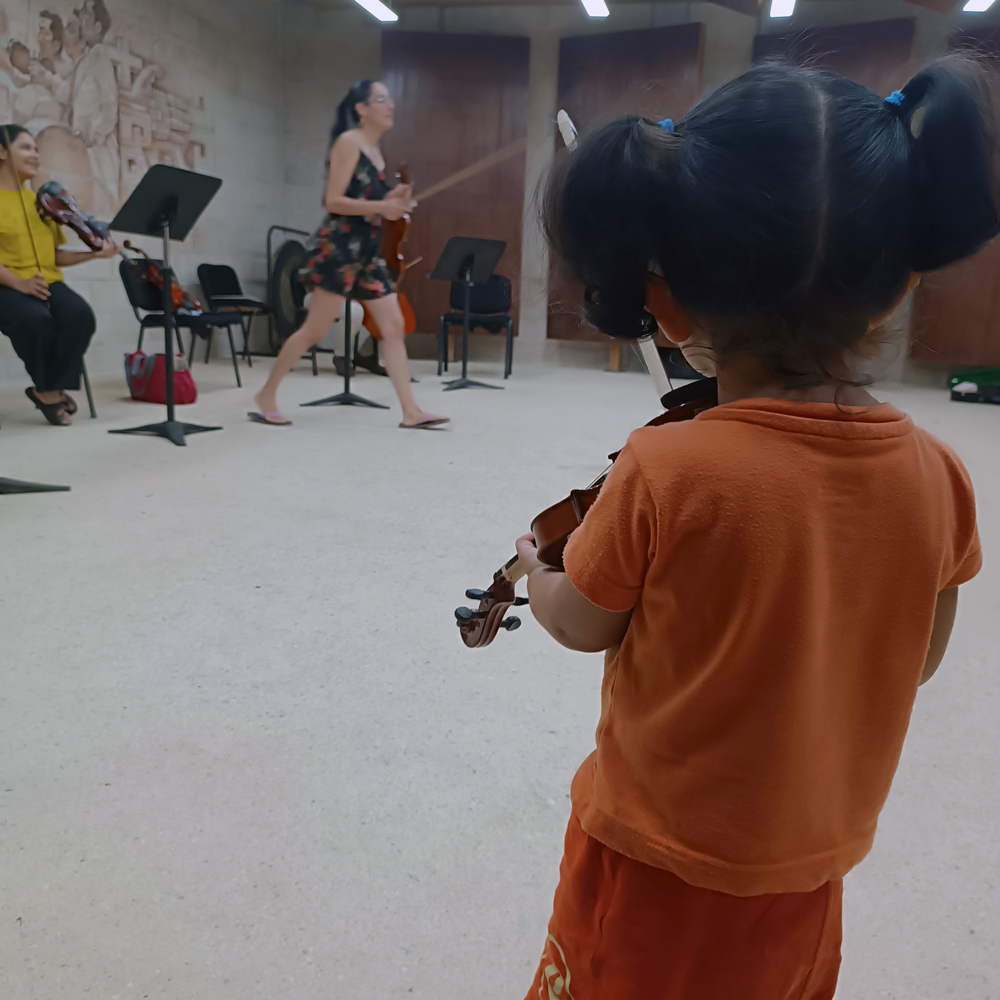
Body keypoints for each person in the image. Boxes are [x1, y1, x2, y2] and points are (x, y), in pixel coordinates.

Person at [519, 58, 989, 1000]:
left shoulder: (670, 467)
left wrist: (537, 567)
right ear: (897, 288)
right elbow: (917, 656)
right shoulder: (940, 476)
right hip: (812, 871)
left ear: (670, 299)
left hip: (653, 868)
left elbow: (580, 621)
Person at [251, 79, 447, 428]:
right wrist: (381, 205)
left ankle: (411, 411)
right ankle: (266, 394)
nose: (390, 106)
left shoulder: (377, 153)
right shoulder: (348, 143)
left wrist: (393, 200)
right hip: (340, 248)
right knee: (313, 331)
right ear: (362, 109)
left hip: (367, 253)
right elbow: (334, 201)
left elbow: (372, 204)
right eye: (382, 100)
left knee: (393, 326)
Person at [0, 124, 116, 425]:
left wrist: (94, 253)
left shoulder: (43, 203)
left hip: (47, 281)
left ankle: (45, 389)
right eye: (26, 148)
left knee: (80, 316)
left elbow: (54, 256)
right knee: (34, 320)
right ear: (1, 152)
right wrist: (20, 283)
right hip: (6, 283)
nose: (35, 155)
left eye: (36, 149)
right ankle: (52, 394)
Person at [71, 0, 118, 215]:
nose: (82, 24)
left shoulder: (100, 56)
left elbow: (110, 105)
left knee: (100, 209)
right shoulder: (88, 58)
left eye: (86, 20)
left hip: (99, 149)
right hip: (84, 144)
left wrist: (96, 135)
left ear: (98, 27)